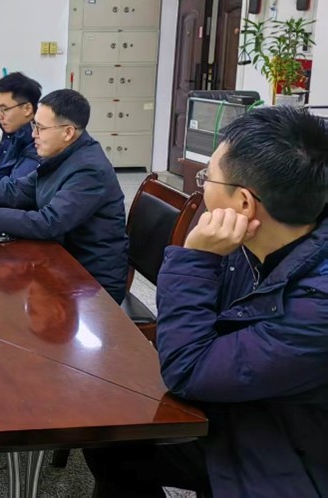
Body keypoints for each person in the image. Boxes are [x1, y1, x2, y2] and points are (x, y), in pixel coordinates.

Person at [84, 106, 328, 498]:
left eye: (207, 177)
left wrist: (195, 257)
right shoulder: (263, 236)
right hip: (251, 401)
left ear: (244, 203)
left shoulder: (317, 306)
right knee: (112, 440)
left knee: (119, 439)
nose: (202, 189)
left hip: (285, 453)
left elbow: (188, 370)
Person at [0, 90, 128, 302]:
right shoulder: (62, 153)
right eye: (34, 126)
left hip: (91, 281)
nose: (33, 135)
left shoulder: (89, 169)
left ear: (67, 132)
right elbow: (16, 189)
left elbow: (49, 222)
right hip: (61, 259)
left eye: (40, 128)